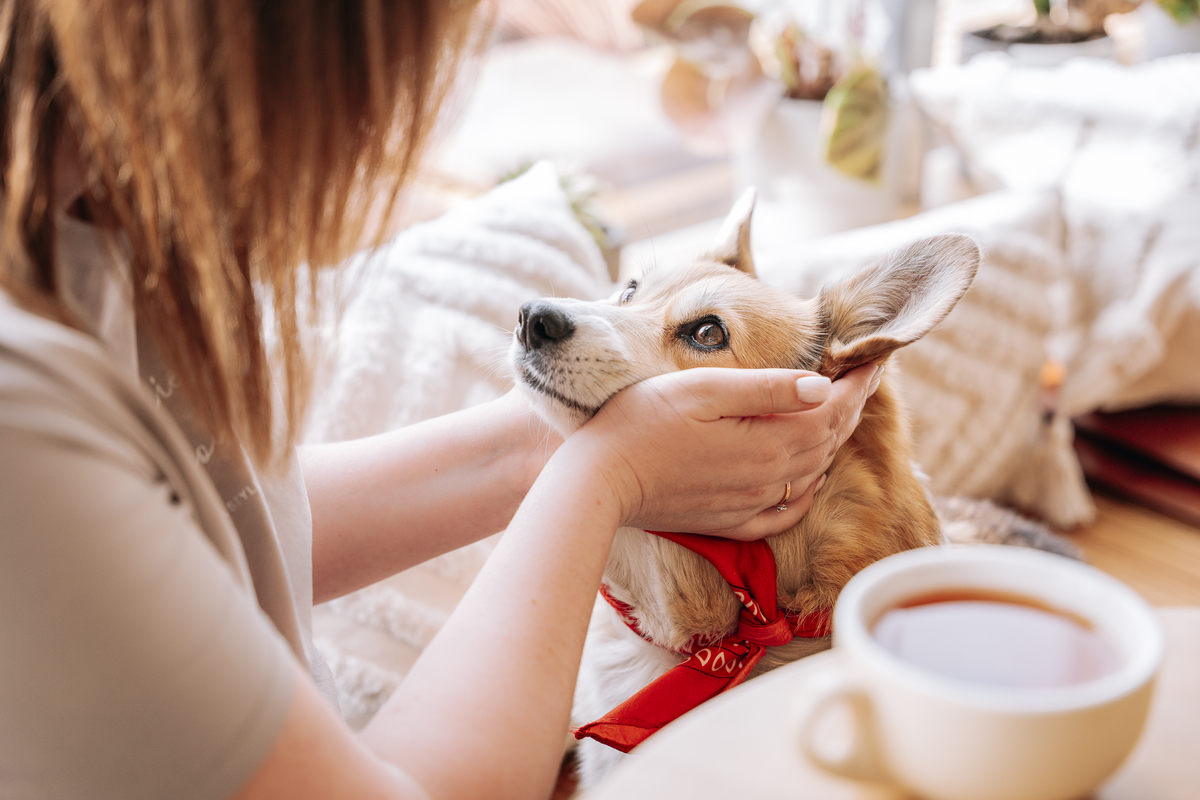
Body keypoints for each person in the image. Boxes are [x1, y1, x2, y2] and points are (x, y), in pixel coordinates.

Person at [0, 2, 881, 799]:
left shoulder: (93, 225)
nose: (389, 128)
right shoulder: (21, 422)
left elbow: (208, 529)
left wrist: (550, 442)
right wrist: (598, 476)